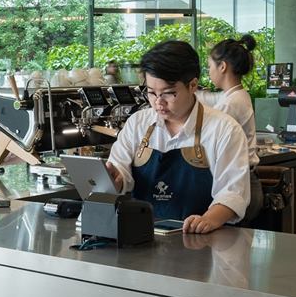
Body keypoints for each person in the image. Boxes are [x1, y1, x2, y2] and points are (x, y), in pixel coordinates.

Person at [104, 41, 250, 233]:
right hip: (144, 234)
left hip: (200, 238)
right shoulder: (138, 123)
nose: (158, 103)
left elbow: (232, 192)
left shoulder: (224, 129)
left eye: (168, 94)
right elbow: (120, 168)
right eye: (151, 93)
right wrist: (116, 178)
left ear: (193, 85)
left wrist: (208, 219)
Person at [198, 35, 263, 224]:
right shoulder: (237, 95)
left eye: (210, 66)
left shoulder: (231, 103)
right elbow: (207, 98)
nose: (209, 72)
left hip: (240, 186)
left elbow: (208, 135)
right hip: (248, 181)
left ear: (223, 67)